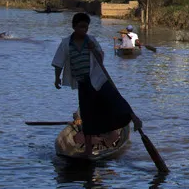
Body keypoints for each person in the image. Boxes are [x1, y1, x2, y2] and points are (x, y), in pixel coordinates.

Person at [52, 12, 142, 153]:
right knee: (87, 115)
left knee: (116, 99)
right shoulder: (66, 43)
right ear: (74, 27)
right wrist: (57, 78)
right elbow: (58, 62)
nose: (84, 30)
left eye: (86, 27)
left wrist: (94, 50)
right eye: (81, 27)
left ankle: (135, 119)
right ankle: (88, 150)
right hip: (83, 84)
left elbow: (100, 58)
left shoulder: (91, 40)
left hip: (98, 79)